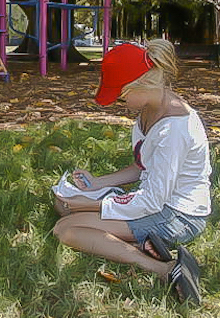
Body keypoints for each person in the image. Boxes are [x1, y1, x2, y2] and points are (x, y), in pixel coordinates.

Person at [52, 39, 211, 305]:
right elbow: (142, 166)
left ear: (142, 84)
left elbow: (152, 200)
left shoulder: (173, 130)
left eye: (122, 95)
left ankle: (165, 268)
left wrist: (94, 205)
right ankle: (144, 245)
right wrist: (96, 184)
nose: (120, 102)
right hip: (155, 201)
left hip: (178, 215)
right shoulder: (150, 109)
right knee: (64, 205)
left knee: (66, 229)